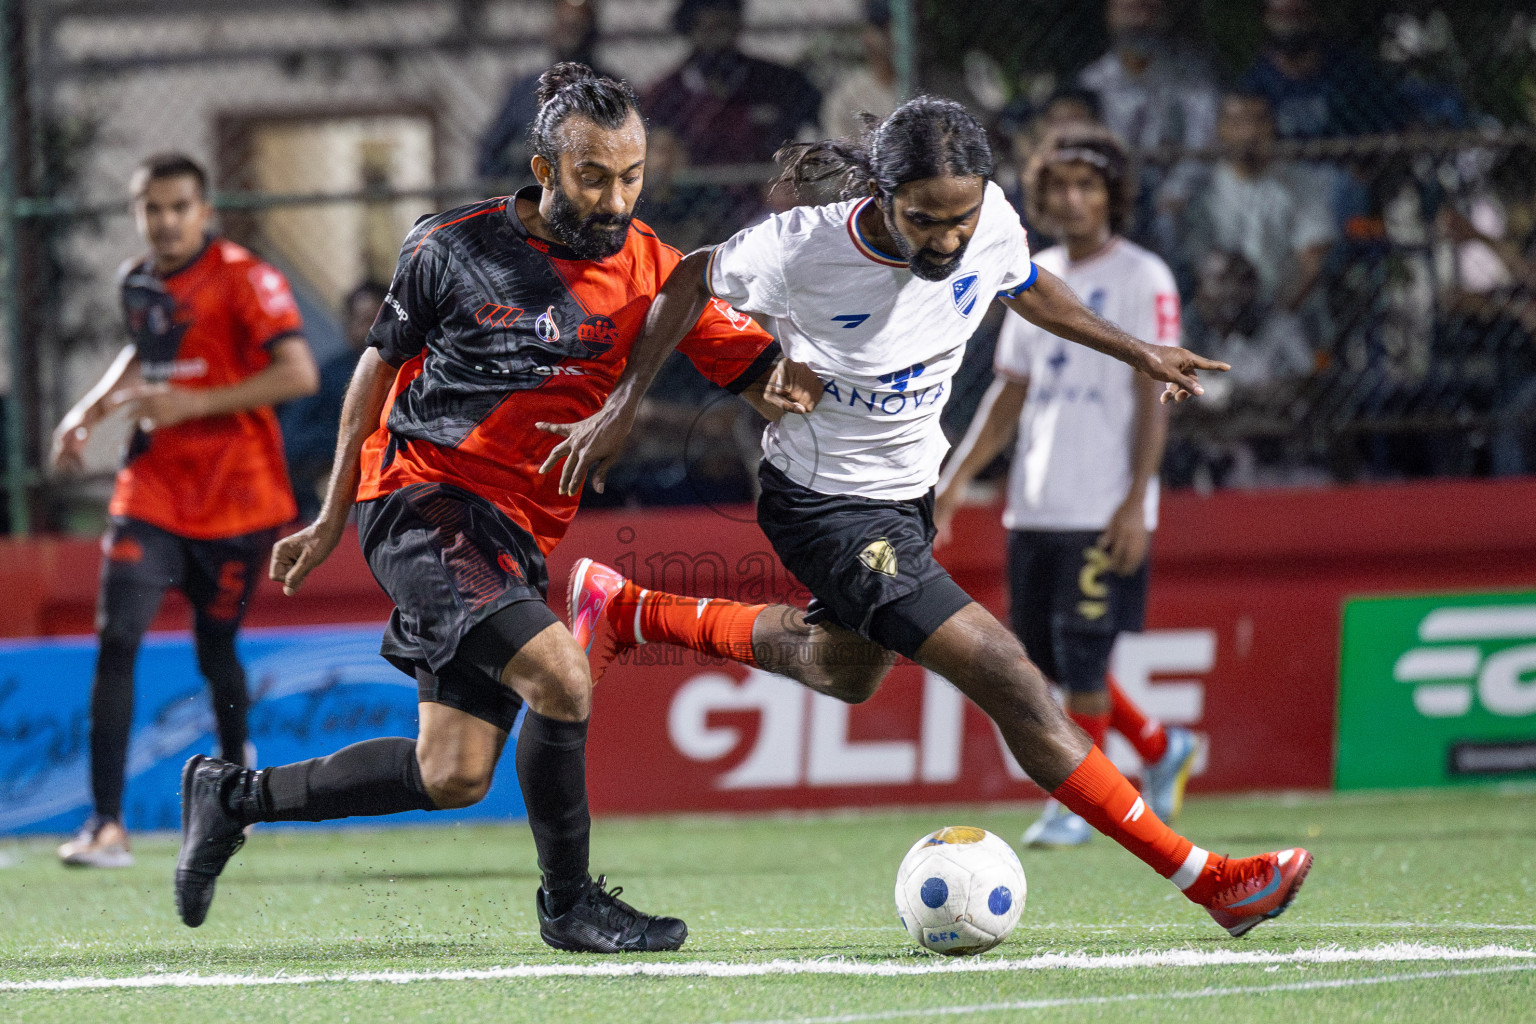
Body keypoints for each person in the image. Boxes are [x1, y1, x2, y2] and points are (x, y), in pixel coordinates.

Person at [549, 96, 1312, 939]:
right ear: (880, 193)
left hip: (903, 496)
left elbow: (1024, 285)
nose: (947, 240)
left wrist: (1137, 349)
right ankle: (1210, 879)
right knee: (1007, 672)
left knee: (846, 671)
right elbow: (689, 276)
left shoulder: (987, 224)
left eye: (963, 218)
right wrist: (628, 404)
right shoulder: (806, 246)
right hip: (822, 501)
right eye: (925, 221)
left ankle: (627, 610)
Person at [172, 65, 815, 951]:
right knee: (563, 674)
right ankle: (569, 905)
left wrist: (825, 376)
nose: (617, 197)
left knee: (452, 773)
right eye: (595, 176)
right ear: (544, 169)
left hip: (515, 533)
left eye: (631, 176)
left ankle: (231, 796)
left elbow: (758, 375)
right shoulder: (451, 246)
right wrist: (329, 519)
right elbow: (372, 377)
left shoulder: (654, 272)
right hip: (423, 501)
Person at [931, 125, 1197, 849]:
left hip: (1099, 505)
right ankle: (1158, 746)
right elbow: (1008, 395)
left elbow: (1154, 396)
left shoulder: (1145, 277)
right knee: (1045, 659)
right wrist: (956, 483)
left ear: (1114, 194)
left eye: (1088, 186)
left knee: (1083, 659)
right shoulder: (1028, 272)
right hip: (1036, 505)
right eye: (1059, 187)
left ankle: (1083, 802)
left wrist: (1137, 500)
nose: (1072, 199)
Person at [50, 153, 320, 868]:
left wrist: (194, 402)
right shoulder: (136, 281)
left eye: (178, 208)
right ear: (137, 213)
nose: (165, 222)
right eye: (151, 209)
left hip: (237, 499)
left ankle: (236, 773)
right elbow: (145, 351)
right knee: (118, 639)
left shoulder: (245, 277)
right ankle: (106, 825)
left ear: (203, 211)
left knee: (215, 647)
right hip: (153, 492)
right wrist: (87, 411)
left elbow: (300, 372)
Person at [1076, 0, 1219, 248]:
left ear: (1164, 16)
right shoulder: (1092, 82)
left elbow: (1204, 141)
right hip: (1114, 191)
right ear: (1110, 16)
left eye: (1148, 10)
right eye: (1129, 11)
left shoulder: (1192, 79)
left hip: (1178, 196)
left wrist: (1175, 192)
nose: (1139, 22)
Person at [1179, 91, 1335, 312]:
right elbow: (1198, 261)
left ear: (1272, 126)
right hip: (1218, 312)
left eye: (1258, 121)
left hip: (1285, 310)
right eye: (1237, 122)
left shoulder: (1299, 184)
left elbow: (1312, 258)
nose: (1249, 132)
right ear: (1220, 129)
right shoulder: (1203, 190)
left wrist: (1278, 311)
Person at [643, 0, 821, 167]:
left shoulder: (778, 81)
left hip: (765, 186)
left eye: (723, 27)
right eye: (707, 29)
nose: (716, 40)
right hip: (693, 191)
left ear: (737, 25)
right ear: (690, 29)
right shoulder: (667, 92)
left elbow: (816, 121)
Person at [280, 281, 388, 520]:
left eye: (375, 318)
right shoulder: (327, 376)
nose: (367, 329)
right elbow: (290, 440)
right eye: (360, 320)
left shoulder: (416, 375)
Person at [477, 0, 613, 180]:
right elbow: (491, 154)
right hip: (535, 191)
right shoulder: (526, 91)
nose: (570, 36)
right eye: (564, 26)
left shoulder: (609, 89)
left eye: (577, 27)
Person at [1236, 0, 1401, 141]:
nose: (1290, 26)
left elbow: (1394, 124)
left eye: (1297, 14)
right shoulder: (1255, 85)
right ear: (1266, 18)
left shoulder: (1349, 69)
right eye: (1282, 16)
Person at [820, 1, 899, 144]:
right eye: (885, 29)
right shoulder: (848, 97)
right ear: (868, 36)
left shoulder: (928, 83)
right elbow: (841, 159)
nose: (894, 36)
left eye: (899, 28)